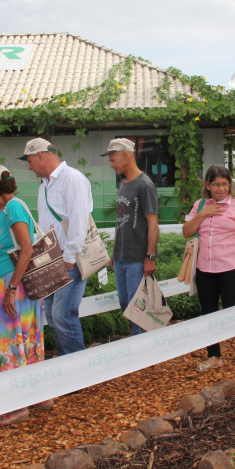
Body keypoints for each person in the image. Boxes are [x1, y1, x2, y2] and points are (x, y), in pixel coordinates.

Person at [0, 165, 45, 425]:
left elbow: (26, 249)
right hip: (17, 284)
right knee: (25, 336)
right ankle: (37, 395)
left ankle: (14, 406)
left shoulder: (12, 208)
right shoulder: (7, 210)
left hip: (13, 283)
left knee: (8, 338)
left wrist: (10, 289)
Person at [21, 138, 92, 356]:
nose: (29, 166)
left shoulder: (72, 179)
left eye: (30, 160)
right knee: (52, 316)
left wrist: (69, 258)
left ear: (41, 155)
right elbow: (44, 226)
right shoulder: (44, 186)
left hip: (68, 259)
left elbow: (79, 221)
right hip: (51, 260)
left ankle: (76, 370)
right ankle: (67, 363)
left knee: (63, 316)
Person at [183, 166, 235, 371]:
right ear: (207, 185)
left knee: (234, 311)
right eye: (216, 184)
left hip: (231, 269)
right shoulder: (199, 206)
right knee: (208, 314)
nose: (221, 188)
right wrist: (203, 214)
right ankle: (214, 355)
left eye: (225, 184)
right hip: (204, 269)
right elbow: (187, 232)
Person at [105, 138, 159, 337]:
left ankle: (142, 353)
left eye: (113, 160)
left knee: (138, 309)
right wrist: (115, 253)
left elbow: (153, 224)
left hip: (137, 259)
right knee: (126, 305)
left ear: (126, 155)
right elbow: (122, 222)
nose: (111, 165)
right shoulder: (123, 183)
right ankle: (140, 349)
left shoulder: (145, 185)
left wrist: (150, 257)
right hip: (121, 257)